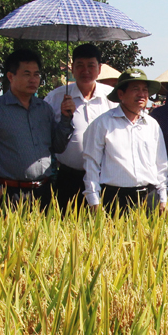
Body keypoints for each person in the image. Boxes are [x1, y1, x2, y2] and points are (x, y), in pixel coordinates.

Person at [0, 48, 75, 209]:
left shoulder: (44, 109)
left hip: (44, 192)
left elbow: (58, 146)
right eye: (27, 74)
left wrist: (66, 119)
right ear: (11, 76)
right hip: (9, 193)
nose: (33, 80)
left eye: (36, 74)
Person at [82, 69, 168, 213]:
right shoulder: (102, 124)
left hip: (149, 197)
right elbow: (91, 164)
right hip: (115, 199)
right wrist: (94, 200)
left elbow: (161, 164)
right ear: (121, 94)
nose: (141, 94)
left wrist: (163, 197)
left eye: (145, 90)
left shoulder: (152, 124)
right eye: (135, 89)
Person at [44, 43, 115, 210]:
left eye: (91, 65)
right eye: (80, 66)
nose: (86, 71)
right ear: (73, 69)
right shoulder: (55, 98)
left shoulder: (112, 97)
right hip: (69, 177)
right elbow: (49, 139)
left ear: (99, 69)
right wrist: (64, 117)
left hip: (105, 176)